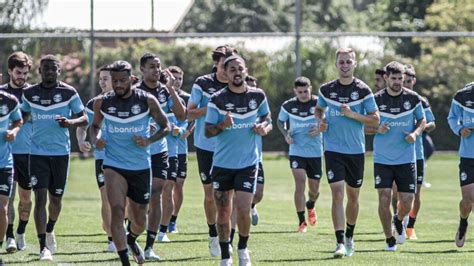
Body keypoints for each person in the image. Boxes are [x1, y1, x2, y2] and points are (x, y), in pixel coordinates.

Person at [89, 60, 170, 265]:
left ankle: (131, 238)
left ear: (131, 79)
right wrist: (96, 139)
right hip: (113, 165)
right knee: (117, 210)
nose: (118, 85)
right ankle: (125, 260)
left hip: (141, 166)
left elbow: (166, 126)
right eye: (115, 80)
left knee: (140, 220)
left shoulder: (147, 100)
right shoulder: (103, 101)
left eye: (122, 80)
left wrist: (149, 140)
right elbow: (94, 125)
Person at [205, 55, 271, 266]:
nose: (236, 72)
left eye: (239, 68)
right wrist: (222, 126)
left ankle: (243, 249)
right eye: (231, 69)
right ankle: (226, 255)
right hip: (223, 165)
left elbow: (267, 119)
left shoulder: (258, 95)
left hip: (248, 164)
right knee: (223, 212)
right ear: (225, 74)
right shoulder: (217, 99)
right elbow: (208, 132)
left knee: (243, 208)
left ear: (245, 70)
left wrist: (264, 128)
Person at [21, 55, 88, 261]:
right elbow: (22, 116)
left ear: (59, 71)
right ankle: (43, 247)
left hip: (60, 154)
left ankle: (50, 229)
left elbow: (84, 117)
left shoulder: (69, 92)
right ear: (39, 71)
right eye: (45, 68)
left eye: (53, 68)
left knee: (56, 201)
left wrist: (70, 122)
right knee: (40, 198)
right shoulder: (29, 93)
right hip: (37, 153)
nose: (49, 71)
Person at [315, 48, 379, 258]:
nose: (344, 65)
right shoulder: (326, 90)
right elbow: (318, 109)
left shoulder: (363, 90)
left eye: (348, 62)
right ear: (336, 64)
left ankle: (350, 235)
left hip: (356, 151)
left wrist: (352, 114)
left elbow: (375, 119)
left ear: (354, 64)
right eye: (341, 62)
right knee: (337, 194)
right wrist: (320, 121)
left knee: (353, 197)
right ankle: (340, 241)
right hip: (333, 149)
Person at [366, 61, 426, 251]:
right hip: (382, 159)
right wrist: (377, 128)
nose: (398, 82)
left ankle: (399, 219)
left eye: (401, 79)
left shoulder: (413, 98)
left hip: (406, 159)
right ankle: (389, 240)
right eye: (394, 78)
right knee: (384, 198)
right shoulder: (375, 100)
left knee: (407, 201)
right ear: (386, 78)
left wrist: (415, 134)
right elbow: (363, 126)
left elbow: (422, 120)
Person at [187, 45, 237, 257]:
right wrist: (211, 107)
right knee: (210, 195)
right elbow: (189, 114)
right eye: (223, 63)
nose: (227, 68)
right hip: (206, 145)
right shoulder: (203, 83)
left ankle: (229, 239)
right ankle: (213, 235)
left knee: (230, 195)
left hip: (231, 146)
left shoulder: (238, 84)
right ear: (216, 63)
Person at [133, 53, 185, 260]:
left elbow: (182, 116)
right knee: (138, 199)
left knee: (156, 195)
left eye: (158, 66)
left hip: (160, 151)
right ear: (142, 70)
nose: (156, 70)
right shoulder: (135, 93)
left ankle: (149, 246)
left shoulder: (165, 92)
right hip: (137, 152)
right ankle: (131, 237)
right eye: (151, 67)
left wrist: (171, 88)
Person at [76, 65, 116, 252]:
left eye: (106, 78)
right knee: (106, 198)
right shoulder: (93, 103)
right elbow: (83, 125)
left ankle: (118, 228)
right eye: (100, 78)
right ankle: (112, 240)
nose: (102, 81)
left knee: (126, 201)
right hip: (103, 157)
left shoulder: (129, 100)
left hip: (127, 157)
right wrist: (82, 140)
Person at [277, 77, 323, 233]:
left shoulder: (319, 103)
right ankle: (302, 221)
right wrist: (285, 134)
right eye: (300, 92)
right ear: (295, 91)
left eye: (306, 91)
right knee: (300, 183)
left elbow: (328, 121)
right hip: (297, 151)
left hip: (315, 152)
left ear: (310, 88)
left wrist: (320, 128)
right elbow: (280, 122)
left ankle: (310, 205)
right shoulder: (288, 105)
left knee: (314, 190)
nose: (303, 94)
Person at [0, 52, 32, 253]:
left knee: (26, 198)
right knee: (7, 200)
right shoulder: (3, 94)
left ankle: (21, 230)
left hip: (29, 153)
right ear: (10, 71)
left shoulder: (34, 93)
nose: (22, 77)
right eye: (19, 72)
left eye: (25, 73)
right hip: (8, 154)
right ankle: (10, 235)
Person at [403, 64, 436, 240]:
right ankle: (398, 222)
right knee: (396, 192)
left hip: (417, 154)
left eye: (409, 81)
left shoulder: (421, 100)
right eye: (403, 81)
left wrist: (420, 128)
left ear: (413, 81)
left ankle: (410, 227)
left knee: (415, 193)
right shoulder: (393, 99)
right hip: (396, 155)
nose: (406, 84)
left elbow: (432, 123)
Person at [167, 66, 195, 233]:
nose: (177, 81)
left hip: (181, 149)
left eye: (179, 78)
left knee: (179, 185)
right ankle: (161, 218)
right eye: (174, 78)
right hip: (164, 149)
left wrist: (187, 131)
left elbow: (192, 118)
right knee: (165, 185)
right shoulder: (162, 97)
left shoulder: (187, 97)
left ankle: (173, 220)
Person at [447, 81, 474, 248]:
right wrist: (459, 129)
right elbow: (452, 118)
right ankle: (463, 222)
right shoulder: (462, 95)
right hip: (468, 156)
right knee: (467, 200)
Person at [0, 90, 22, 253]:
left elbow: (18, 121)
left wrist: (14, 131)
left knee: (2, 208)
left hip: (4, 164)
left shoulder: (9, 101)